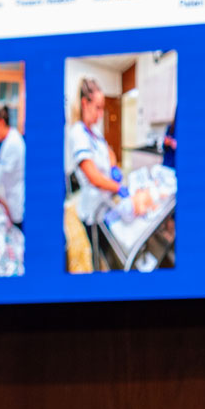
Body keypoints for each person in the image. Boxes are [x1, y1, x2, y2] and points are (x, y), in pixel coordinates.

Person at [67, 78, 124, 270]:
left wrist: (114, 167)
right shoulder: (78, 133)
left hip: (104, 202)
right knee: (97, 250)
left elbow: (109, 152)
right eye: (98, 108)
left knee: (109, 248)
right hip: (92, 209)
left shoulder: (94, 132)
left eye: (102, 109)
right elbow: (93, 177)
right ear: (85, 103)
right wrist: (118, 188)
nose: (101, 114)